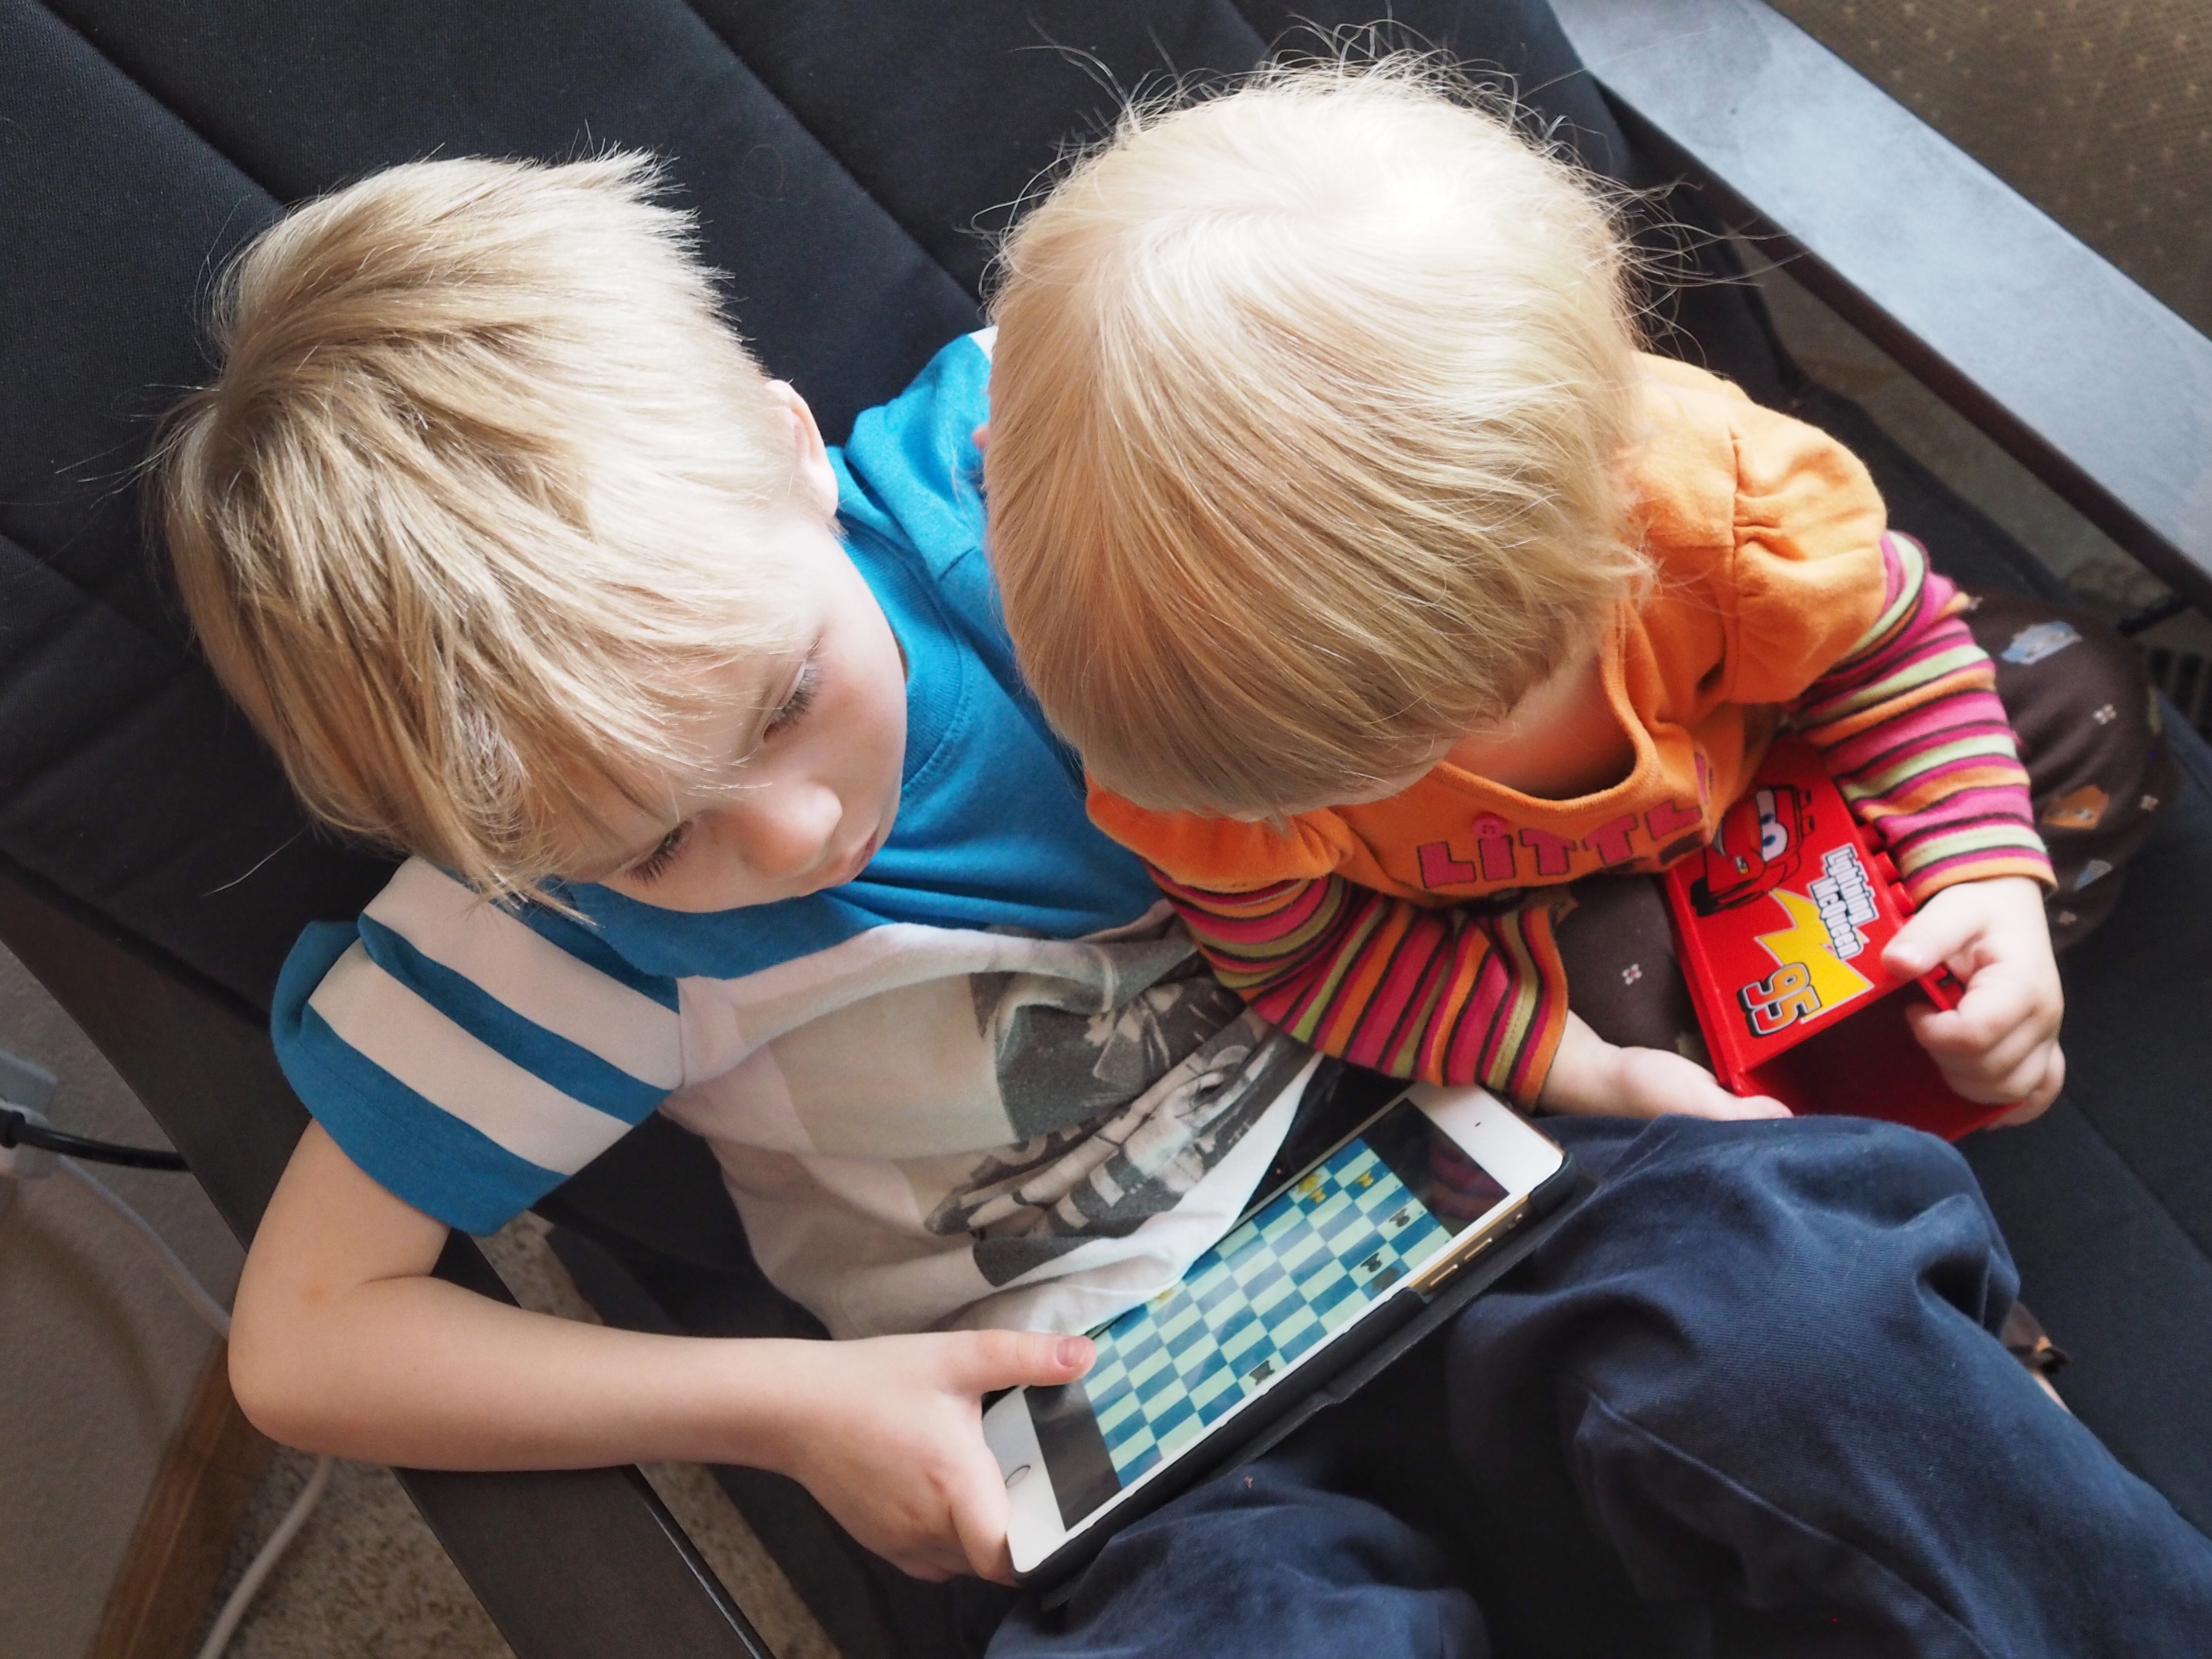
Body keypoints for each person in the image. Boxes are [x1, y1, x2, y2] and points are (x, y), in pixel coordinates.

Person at [154, 148, 2210, 1658]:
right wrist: (785, 1406)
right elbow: (311, 1343)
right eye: (646, 841)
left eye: (782, 700)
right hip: (1127, 1428)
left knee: (1800, 1315)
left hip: (1490, 1156)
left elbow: (1437, 393)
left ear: (789, 453)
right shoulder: (532, 933)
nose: (782, 836)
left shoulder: (1051, 483)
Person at [982, 60, 2171, 1139]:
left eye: (1453, 726)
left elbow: (1895, 655)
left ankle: (1919, 1023)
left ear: (1610, 506)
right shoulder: (1187, 726)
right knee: (1627, 1052)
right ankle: (1802, 1140)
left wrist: (1985, 878)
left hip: (1787, 756)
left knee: (2085, 694)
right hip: (1566, 932)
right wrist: (1587, 1071)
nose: (1413, 771)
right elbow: (1309, 961)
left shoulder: (1715, 509)